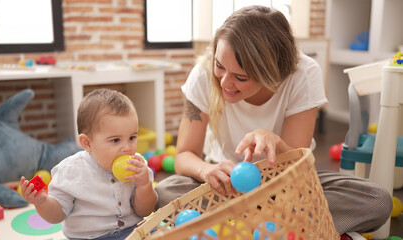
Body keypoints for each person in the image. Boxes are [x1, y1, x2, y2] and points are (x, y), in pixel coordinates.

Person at [154, 5, 392, 235]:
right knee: (165, 192)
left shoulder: (304, 73)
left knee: (376, 201)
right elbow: (184, 155)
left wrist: (277, 143)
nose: (225, 82)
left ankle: (232, 226)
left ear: (273, 75)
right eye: (220, 66)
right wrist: (207, 170)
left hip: (285, 185)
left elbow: (296, 166)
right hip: (224, 187)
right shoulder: (203, 74)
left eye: (240, 77)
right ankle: (274, 226)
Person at [20, 88, 158, 240]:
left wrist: (144, 185)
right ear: (87, 143)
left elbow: (144, 211)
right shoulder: (71, 171)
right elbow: (57, 216)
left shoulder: (138, 166)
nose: (127, 147)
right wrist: (41, 202)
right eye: (116, 140)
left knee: (161, 233)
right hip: (90, 237)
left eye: (132, 137)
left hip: (133, 231)